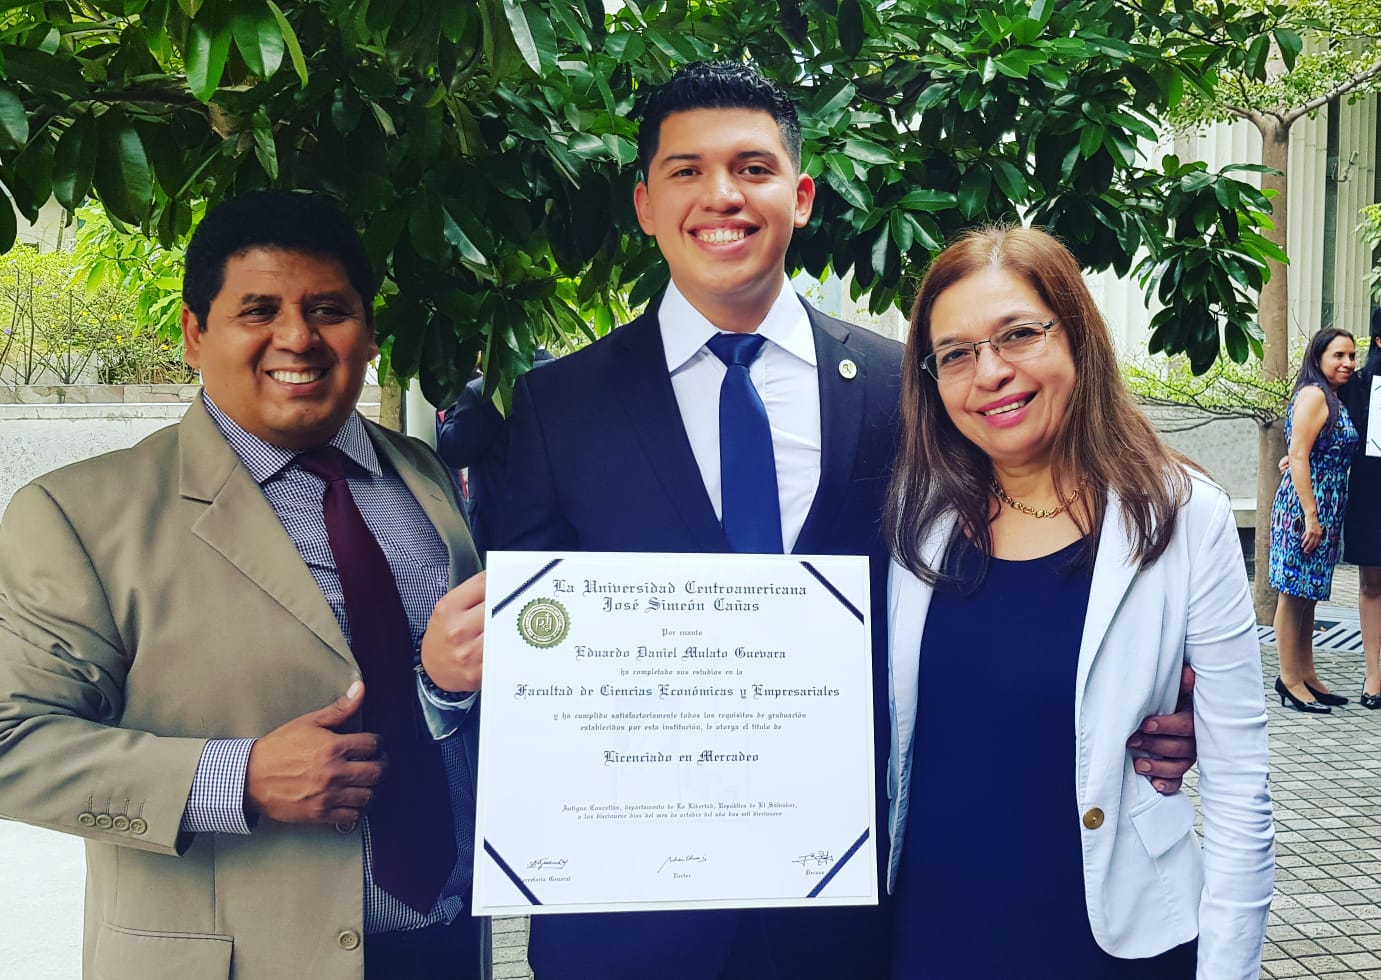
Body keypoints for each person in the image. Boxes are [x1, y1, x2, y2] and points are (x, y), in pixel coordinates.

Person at [487, 62, 1197, 979]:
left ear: (802, 193)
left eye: (752, 167)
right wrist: (458, 685)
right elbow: (526, 660)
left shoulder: (910, 392)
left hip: (850, 909)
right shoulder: (558, 405)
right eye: (685, 171)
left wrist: (1140, 705)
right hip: (630, 915)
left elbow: (1008, 573)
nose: (721, 196)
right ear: (644, 203)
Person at [0, 191, 488, 980]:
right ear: (195, 334)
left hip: (445, 945)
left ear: (367, 331)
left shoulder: (426, 480)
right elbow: (9, 742)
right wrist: (237, 778)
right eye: (257, 310)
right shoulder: (77, 515)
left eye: (328, 308)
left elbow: (445, 690)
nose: (297, 336)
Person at [884, 226, 1274, 979]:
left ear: (1077, 339)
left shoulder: (1182, 515)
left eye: (1018, 335)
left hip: (1113, 938)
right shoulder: (910, 514)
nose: (989, 373)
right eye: (955, 354)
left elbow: (1237, 786)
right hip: (936, 936)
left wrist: (1229, 968)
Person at [1269, 327, 1359, 712]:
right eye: (1339, 355)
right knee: (1292, 595)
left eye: (1352, 356)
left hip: (1326, 507)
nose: (1348, 363)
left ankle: (1307, 674)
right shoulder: (1313, 395)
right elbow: (1300, 457)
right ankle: (1288, 679)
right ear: (1319, 357)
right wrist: (1310, 515)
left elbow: (1303, 453)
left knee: (1309, 598)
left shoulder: (1333, 398)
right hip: (1305, 509)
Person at [1342, 309, 1381, 707]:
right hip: (1370, 495)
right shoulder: (1360, 385)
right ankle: (1373, 676)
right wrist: (1295, 455)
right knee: (1371, 584)